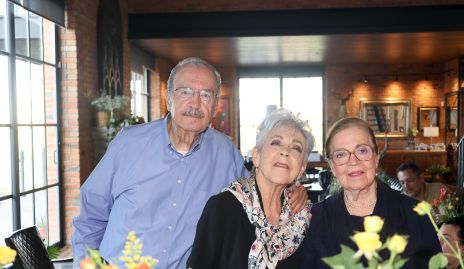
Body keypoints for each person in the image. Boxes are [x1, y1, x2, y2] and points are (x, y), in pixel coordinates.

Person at [72, 57, 308, 269]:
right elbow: (90, 217)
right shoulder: (128, 144)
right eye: (185, 92)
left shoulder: (225, 153)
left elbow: (258, 192)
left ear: (215, 105)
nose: (195, 104)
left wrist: (292, 190)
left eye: (205, 95)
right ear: (168, 99)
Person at [300, 117, 441, 268]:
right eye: (341, 154)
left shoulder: (416, 215)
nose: (353, 161)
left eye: (362, 150)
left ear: (376, 157)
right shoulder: (315, 219)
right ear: (332, 166)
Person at [187, 108, 313, 269]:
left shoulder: (301, 218)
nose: (285, 152)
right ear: (256, 156)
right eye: (276, 142)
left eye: (296, 147)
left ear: (302, 167)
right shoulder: (223, 208)